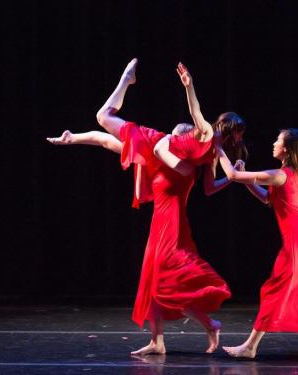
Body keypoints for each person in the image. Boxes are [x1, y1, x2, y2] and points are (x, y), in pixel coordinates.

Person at [49, 59, 234, 355]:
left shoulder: (185, 164)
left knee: (169, 281)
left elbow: (195, 122)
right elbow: (104, 140)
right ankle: (157, 340)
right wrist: (73, 140)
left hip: (172, 227)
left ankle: (210, 324)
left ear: (183, 138)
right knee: (152, 281)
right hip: (159, 225)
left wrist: (189, 88)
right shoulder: (156, 154)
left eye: (174, 135)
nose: (168, 136)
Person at [211, 128, 298, 358]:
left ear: (286, 149)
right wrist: (247, 180)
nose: (273, 143)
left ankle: (250, 347)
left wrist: (218, 148)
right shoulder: (287, 174)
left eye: (278, 140)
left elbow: (232, 177)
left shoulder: (280, 174)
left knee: (275, 289)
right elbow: (268, 198)